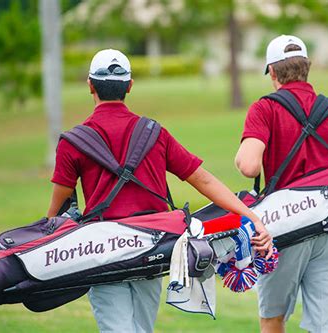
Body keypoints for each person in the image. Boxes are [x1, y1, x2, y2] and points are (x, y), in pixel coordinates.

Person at [47, 49, 272, 333]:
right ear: (129, 86)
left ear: (90, 85)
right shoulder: (154, 133)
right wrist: (250, 214)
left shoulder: (73, 142)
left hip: (103, 250)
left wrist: (46, 242)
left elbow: (58, 206)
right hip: (150, 248)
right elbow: (203, 181)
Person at [235, 36, 328, 333]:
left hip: (283, 229)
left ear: (273, 73)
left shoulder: (264, 108)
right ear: (307, 68)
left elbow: (249, 166)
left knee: (273, 318)